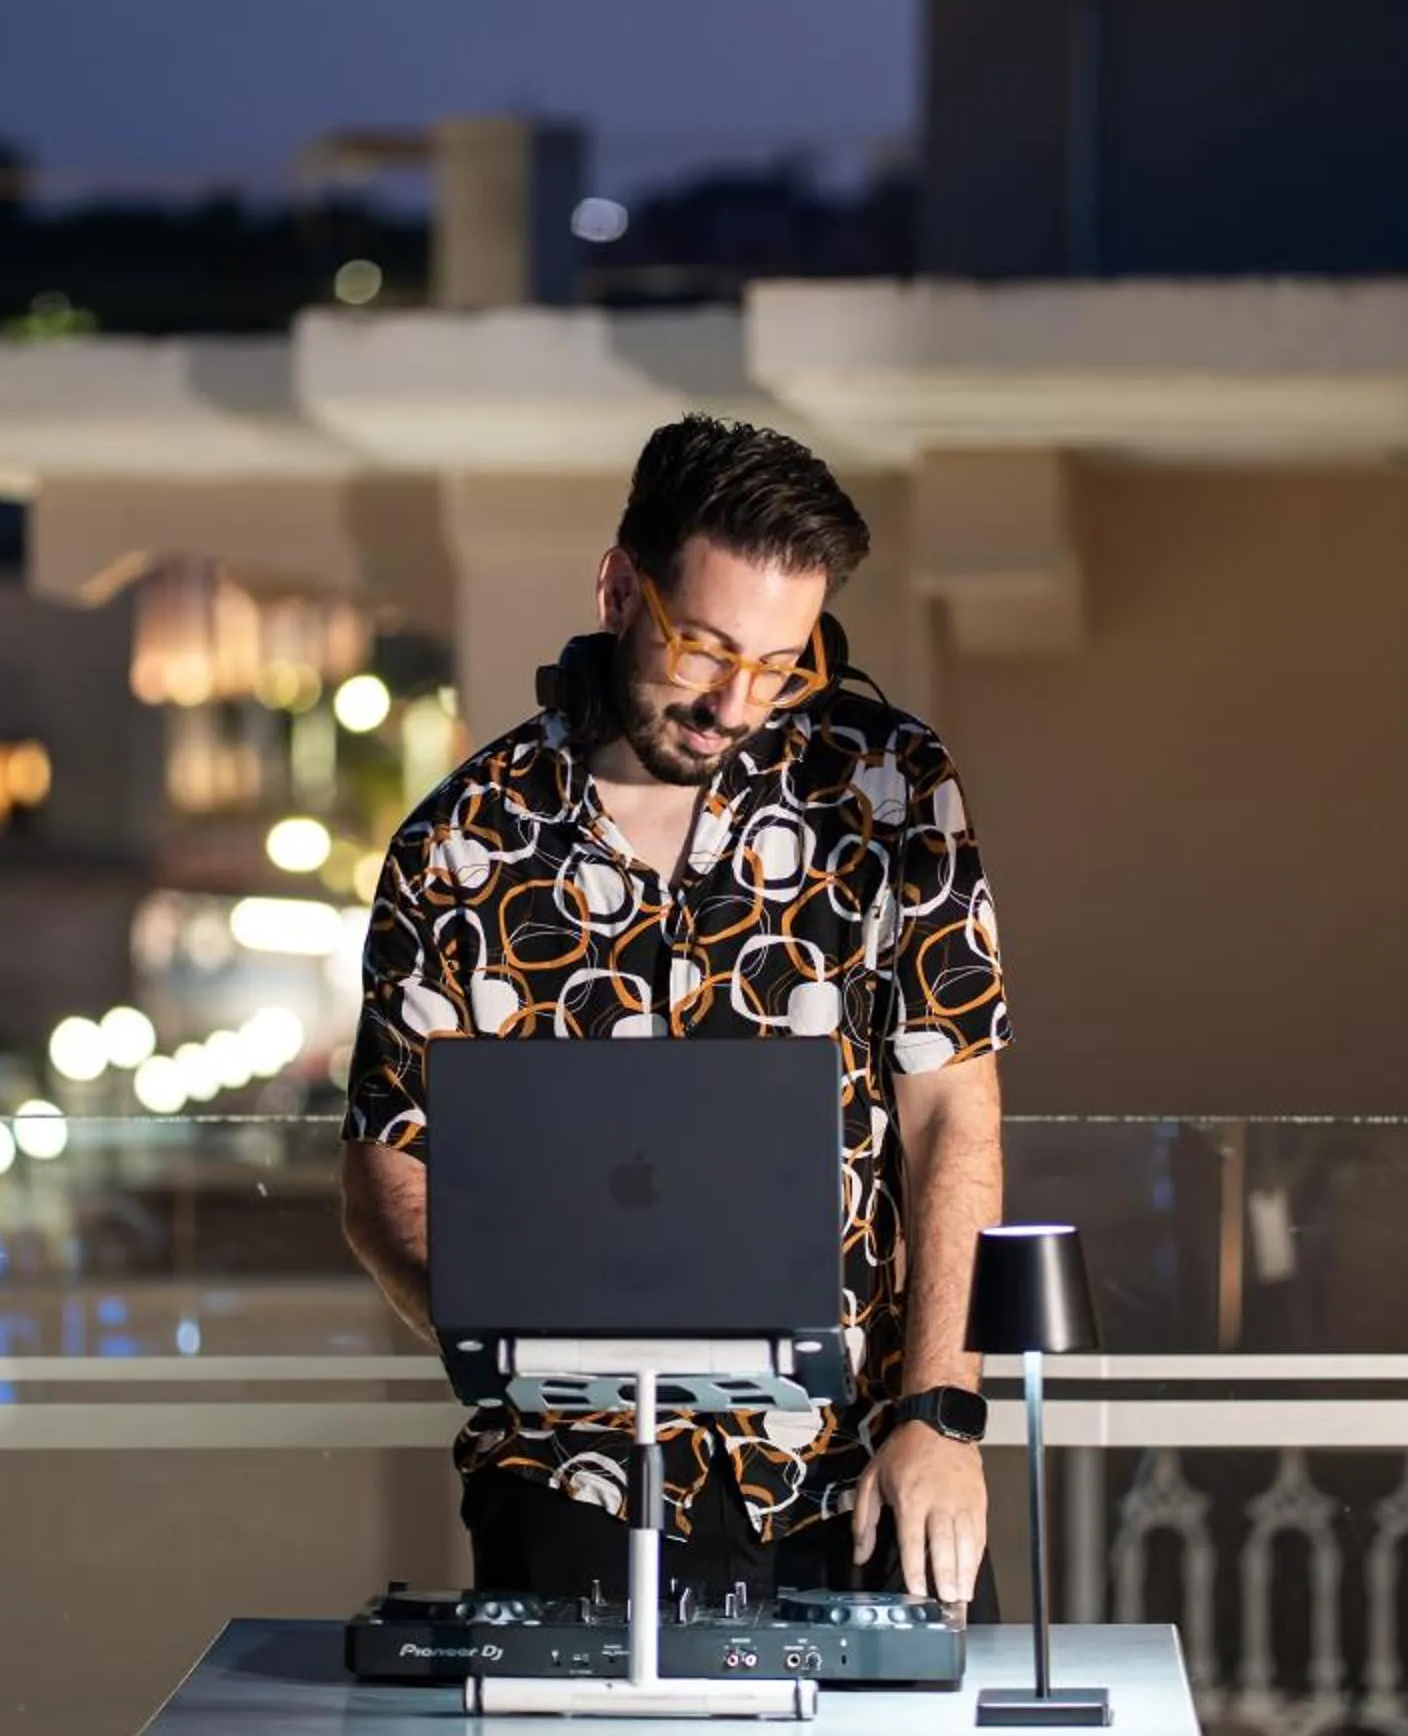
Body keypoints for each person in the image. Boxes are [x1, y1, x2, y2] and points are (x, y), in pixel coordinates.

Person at [338, 413, 1011, 1618]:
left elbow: (951, 1111)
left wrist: (941, 1411)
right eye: (702, 646)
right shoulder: (458, 847)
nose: (733, 701)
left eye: (780, 662)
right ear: (616, 586)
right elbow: (390, 1166)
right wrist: (529, 1358)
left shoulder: (892, 789)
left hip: (862, 1467)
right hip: (568, 1481)